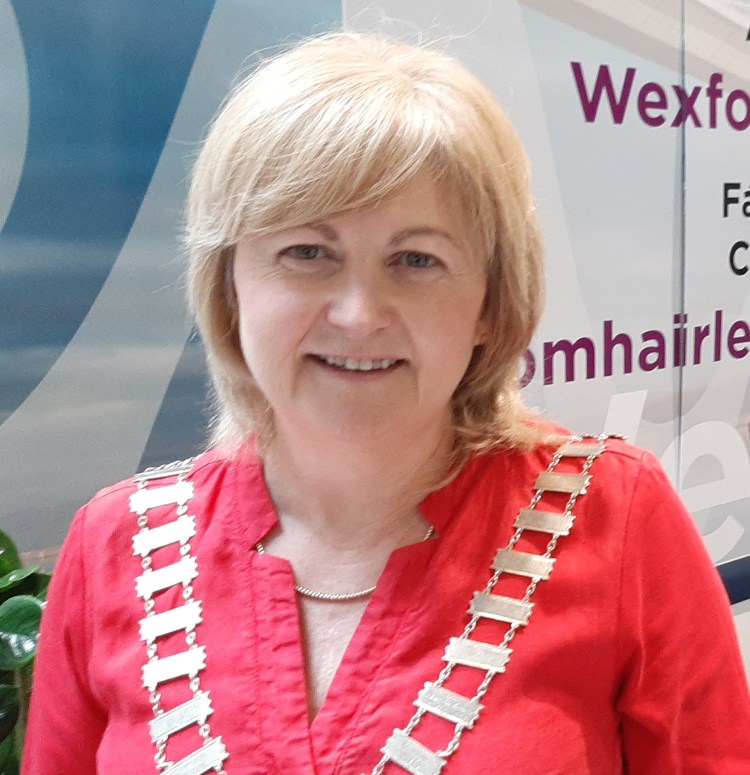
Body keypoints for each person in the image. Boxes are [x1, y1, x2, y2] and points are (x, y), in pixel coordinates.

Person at [22, 32, 750, 775]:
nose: (359, 314)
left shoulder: (617, 521)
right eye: (308, 252)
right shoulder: (113, 546)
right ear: (230, 286)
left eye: (416, 259)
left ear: (490, 304)